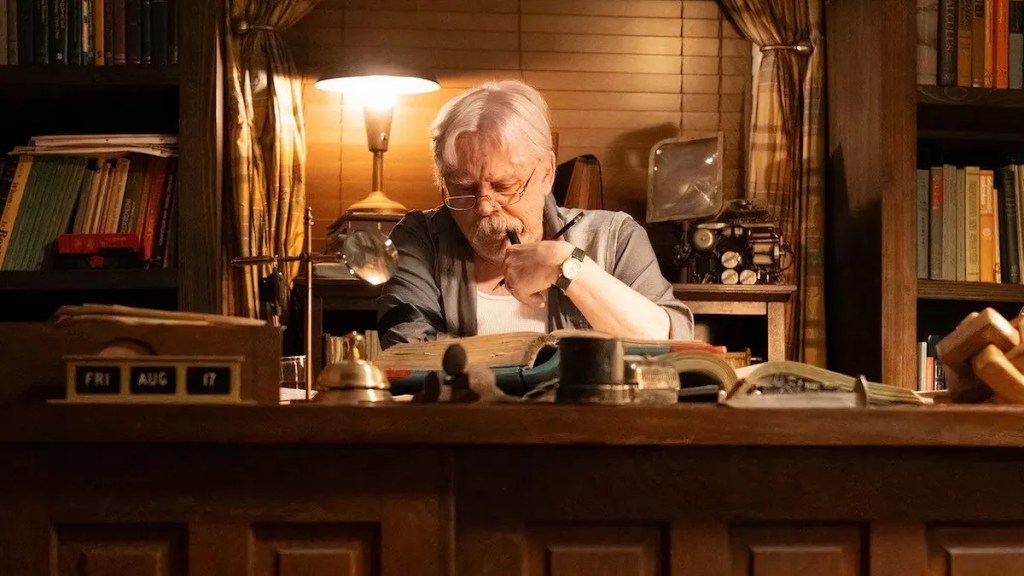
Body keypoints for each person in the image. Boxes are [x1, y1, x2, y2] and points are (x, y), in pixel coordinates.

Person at [377, 79, 693, 348]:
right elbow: (406, 353)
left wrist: (568, 266)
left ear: (546, 173)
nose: (484, 207)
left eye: (504, 186)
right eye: (464, 189)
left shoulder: (614, 237)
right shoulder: (419, 240)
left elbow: (668, 344)